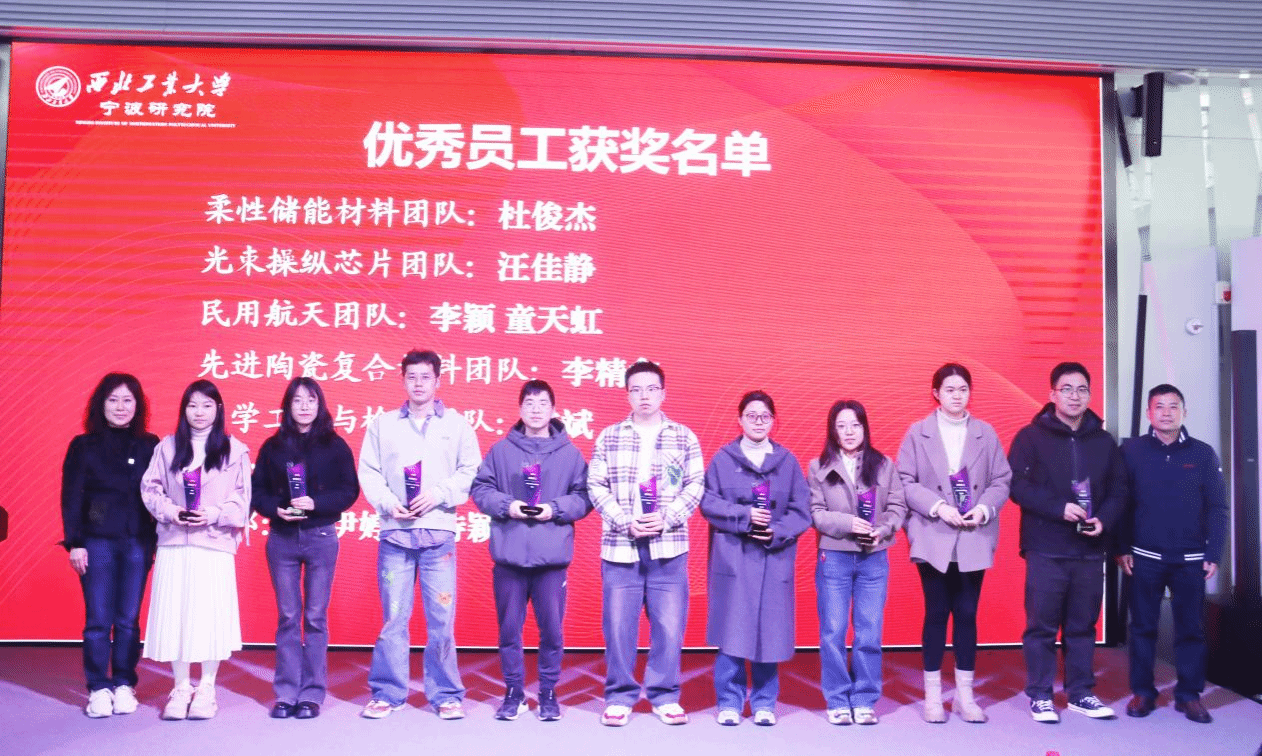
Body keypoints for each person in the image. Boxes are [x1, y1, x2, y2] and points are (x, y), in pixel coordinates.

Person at [358, 349, 480, 720]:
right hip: (396, 534)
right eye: (411, 376)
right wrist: (388, 503)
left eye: (426, 377)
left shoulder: (457, 425)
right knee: (394, 618)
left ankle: (445, 693)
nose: (418, 384)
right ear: (403, 380)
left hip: (438, 536)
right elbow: (369, 472)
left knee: (441, 619)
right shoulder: (383, 425)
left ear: (438, 381)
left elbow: (470, 471)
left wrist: (439, 494)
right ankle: (387, 692)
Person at [1008, 361, 1126, 723]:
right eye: (1067, 389)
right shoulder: (1030, 437)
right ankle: (1041, 695)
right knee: (1041, 626)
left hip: (1089, 549)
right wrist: (1058, 508)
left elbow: (1120, 489)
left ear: (1089, 395)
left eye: (1082, 389)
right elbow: (1016, 486)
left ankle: (1081, 693)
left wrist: (1103, 520)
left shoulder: (1104, 441)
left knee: (1082, 626)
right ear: (1052, 394)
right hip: (1046, 547)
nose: (1075, 396)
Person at [588, 360, 704, 727]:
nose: (644, 396)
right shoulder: (609, 436)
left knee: (669, 627)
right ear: (627, 395)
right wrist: (624, 520)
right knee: (618, 627)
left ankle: (664, 695)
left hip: (668, 545)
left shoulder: (683, 437)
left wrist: (667, 517)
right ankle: (619, 696)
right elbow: (595, 485)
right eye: (636, 390)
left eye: (651, 389)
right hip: (620, 546)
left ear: (663, 393)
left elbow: (695, 484)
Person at [470, 379, 592, 722]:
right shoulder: (500, 451)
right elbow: (481, 489)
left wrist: (555, 508)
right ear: (520, 408)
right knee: (509, 630)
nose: (536, 410)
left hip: (551, 560)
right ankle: (514, 692)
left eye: (543, 403)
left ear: (553, 409)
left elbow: (585, 496)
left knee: (552, 631)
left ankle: (549, 692)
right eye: (529, 403)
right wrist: (507, 506)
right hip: (509, 557)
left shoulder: (570, 454)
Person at [896, 363, 1012, 723]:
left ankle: (965, 696)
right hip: (934, 531)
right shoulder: (918, 432)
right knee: (935, 612)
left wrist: (984, 509)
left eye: (963, 389)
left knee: (966, 613)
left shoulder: (985, 433)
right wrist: (939, 507)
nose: (957, 396)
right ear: (936, 393)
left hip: (973, 533)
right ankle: (933, 697)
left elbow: (1001, 480)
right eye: (949, 389)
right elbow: (904, 480)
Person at [141, 379, 251, 721]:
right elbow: (150, 489)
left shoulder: (235, 451)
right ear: (183, 409)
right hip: (176, 541)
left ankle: (206, 687)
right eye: (192, 405)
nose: (199, 412)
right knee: (177, 615)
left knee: (209, 616)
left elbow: (243, 499)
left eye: (206, 405)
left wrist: (215, 514)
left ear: (218, 409)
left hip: (214, 544)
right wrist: (172, 511)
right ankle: (180, 686)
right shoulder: (167, 447)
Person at [1117, 384, 1228, 724]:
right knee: (1142, 628)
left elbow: (1218, 507)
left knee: (1191, 629)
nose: (1166, 412)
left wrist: (1213, 552)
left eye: (1173, 406)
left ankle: (1189, 695)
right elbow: (1119, 502)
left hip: (1191, 560)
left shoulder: (1203, 453)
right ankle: (1143, 692)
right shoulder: (1131, 450)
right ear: (1149, 413)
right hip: (1143, 556)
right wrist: (1121, 547)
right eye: (1159, 406)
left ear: (1184, 412)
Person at [700, 390, 811, 726]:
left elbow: (801, 510)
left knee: (770, 632)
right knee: (732, 630)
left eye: (765, 416)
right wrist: (744, 515)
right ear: (740, 420)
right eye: (751, 416)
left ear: (773, 421)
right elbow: (708, 502)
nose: (758, 422)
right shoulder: (723, 459)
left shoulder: (787, 462)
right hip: (734, 558)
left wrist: (778, 531)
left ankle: (764, 702)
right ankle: (729, 701)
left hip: (773, 557)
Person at [251, 377, 360, 720]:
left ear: (320, 404)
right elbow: (257, 491)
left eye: (311, 400)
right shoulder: (272, 446)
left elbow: (349, 491)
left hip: (320, 536)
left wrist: (317, 503)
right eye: (297, 400)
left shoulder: (335, 445)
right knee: (287, 616)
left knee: (315, 617)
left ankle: (312, 694)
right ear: (288, 405)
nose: (304, 406)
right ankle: (285, 693)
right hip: (282, 538)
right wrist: (275, 509)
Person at [61, 373, 160, 718]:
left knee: (129, 619)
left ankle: (124, 683)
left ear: (138, 405)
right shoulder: (83, 445)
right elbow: (71, 497)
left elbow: (158, 493)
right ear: (101, 405)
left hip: (138, 541)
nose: (121, 407)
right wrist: (75, 542)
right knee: (99, 620)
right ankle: (97, 687)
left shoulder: (150, 444)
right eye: (113, 400)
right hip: (96, 541)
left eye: (127, 400)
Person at [809, 399, 906, 726]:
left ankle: (864, 699)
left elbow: (897, 507)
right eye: (841, 426)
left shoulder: (884, 465)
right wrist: (848, 523)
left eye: (855, 425)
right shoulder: (818, 467)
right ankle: (837, 699)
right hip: (834, 557)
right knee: (833, 630)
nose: (849, 432)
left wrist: (883, 529)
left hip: (873, 558)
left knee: (869, 631)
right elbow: (816, 514)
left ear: (864, 427)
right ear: (832, 431)